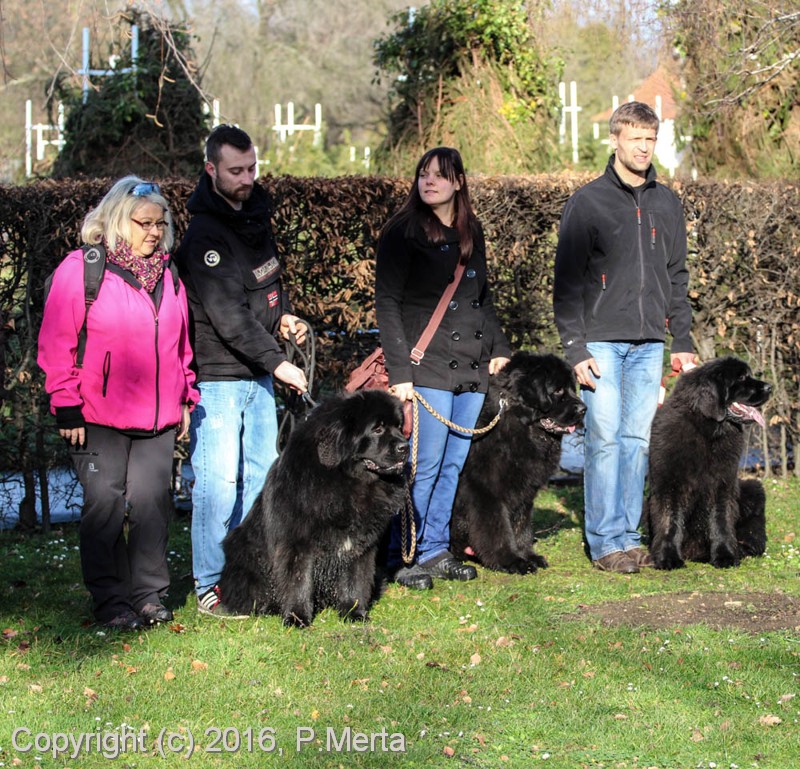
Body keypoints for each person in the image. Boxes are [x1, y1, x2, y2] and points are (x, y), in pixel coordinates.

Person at [38, 176, 199, 630]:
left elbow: (181, 344)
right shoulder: (82, 269)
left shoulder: (168, 274)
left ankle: (148, 596)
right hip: (95, 416)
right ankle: (110, 601)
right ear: (116, 220)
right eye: (143, 223)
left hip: (158, 416)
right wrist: (65, 404)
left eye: (159, 223)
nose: (154, 231)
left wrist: (185, 395)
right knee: (104, 506)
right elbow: (57, 342)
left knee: (152, 505)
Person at [553, 101, 696, 574]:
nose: (643, 147)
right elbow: (566, 282)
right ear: (614, 140)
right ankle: (604, 542)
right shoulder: (588, 201)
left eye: (650, 139)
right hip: (600, 343)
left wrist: (681, 340)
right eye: (635, 138)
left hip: (650, 343)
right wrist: (574, 348)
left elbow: (677, 276)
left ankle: (629, 537)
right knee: (605, 439)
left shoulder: (667, 202)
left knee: (636, 441)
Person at [174, 124, 308, 617]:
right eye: (236, 170)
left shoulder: (256, 216)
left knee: (260, 477)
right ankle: (210, 582)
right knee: (218, 483)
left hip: (257, 374)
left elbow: (268, 284)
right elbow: (228, 316)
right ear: (211, 169)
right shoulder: (203, 237)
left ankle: (251, 574)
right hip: (219, 378)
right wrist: (279, 362)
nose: (247, 178)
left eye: (252, 167)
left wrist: (285, 315)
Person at [375, 146, 512, 590]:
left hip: (472, 369)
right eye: (423, 174)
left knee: (452, 466)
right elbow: (387, 305)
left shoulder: (472, 230)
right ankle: (401, 555)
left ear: (458, 182)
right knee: (423, 466)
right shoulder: (402, 231)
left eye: (439, 175)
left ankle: (434, 549)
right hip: (427, 367)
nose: (429, 181)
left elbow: (482, 299)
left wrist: (499, 347)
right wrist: (400, 373)